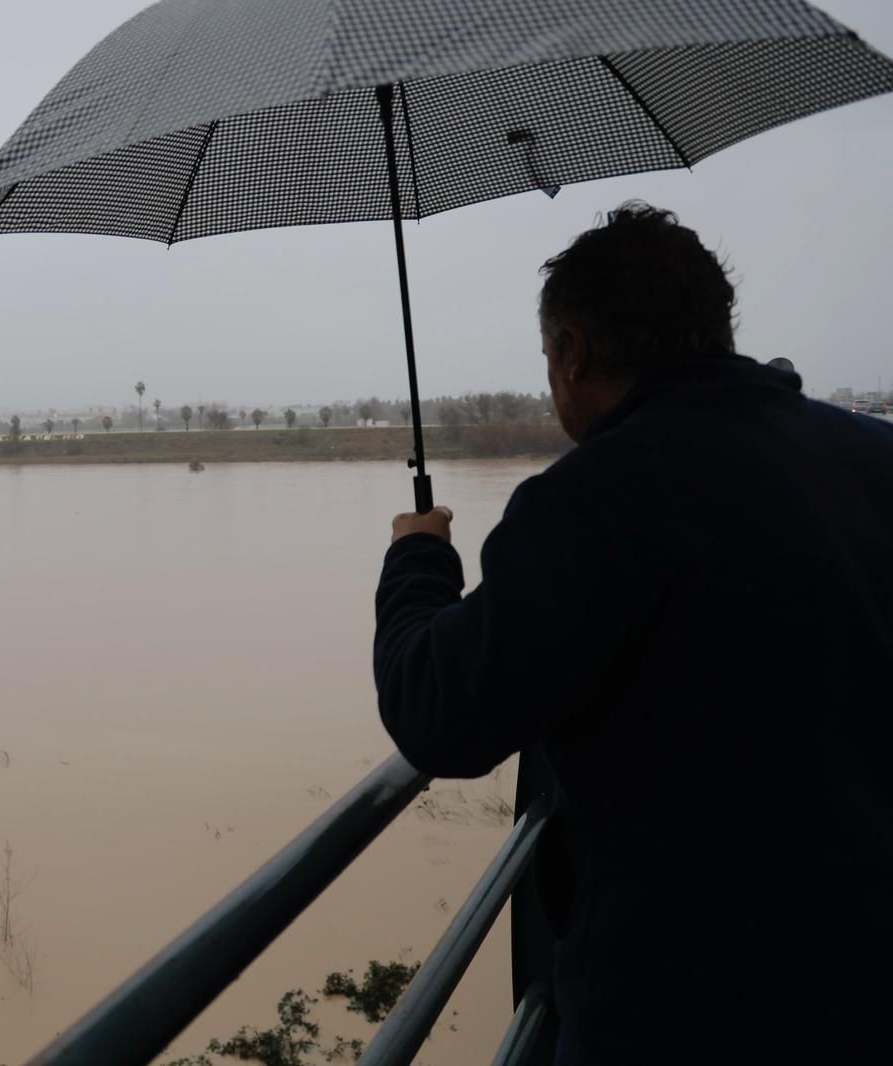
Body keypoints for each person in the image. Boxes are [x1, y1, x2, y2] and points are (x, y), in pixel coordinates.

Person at [373, 202, 893, 1065]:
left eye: (550, 359)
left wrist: (418, 563)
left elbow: (440, 713)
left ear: (572, 350)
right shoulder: (872, 461)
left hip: (685, 1014)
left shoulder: (596, 498)